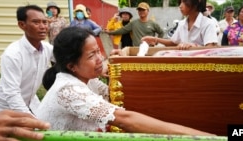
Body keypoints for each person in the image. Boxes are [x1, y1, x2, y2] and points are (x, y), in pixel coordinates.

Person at [36, 26, 214, 136]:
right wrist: (207, 137)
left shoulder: (87, 80)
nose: (100, 58)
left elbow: (125, 94)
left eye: (98, 51)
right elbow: (125, 119)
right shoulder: (68, 90)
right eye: (92, 55)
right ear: (72, 65)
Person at [0, 5, 54, 114]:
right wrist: (31, 119)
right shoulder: (13, 54)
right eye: (36, 22)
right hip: (5, 109)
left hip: (30, 103)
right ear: (22, 25)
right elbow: (12, 94)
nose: (43, 27)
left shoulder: (47, 48)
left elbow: (67, 56)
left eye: (45, 22)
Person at [141, 0, 218, 50]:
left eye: (184, 2)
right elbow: (174, 42)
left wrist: (194, 46)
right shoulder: (182, 24)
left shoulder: (208, 23)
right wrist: (155, 39)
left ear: (196, 2)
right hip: (183, 65)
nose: (180, 6)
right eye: (180, 2)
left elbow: (210, 49)